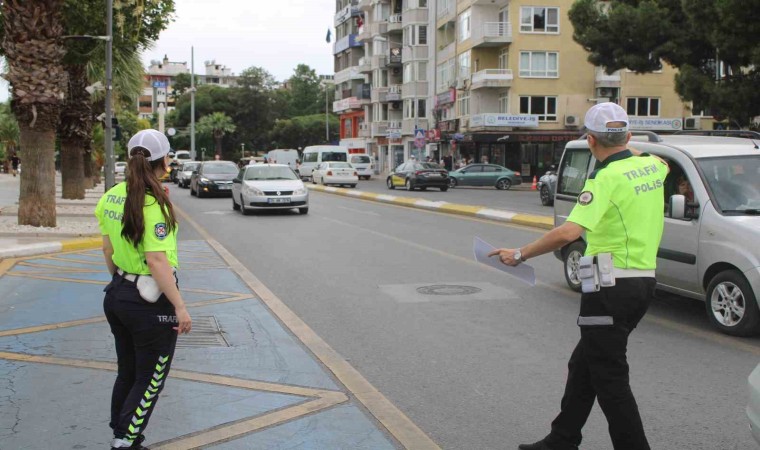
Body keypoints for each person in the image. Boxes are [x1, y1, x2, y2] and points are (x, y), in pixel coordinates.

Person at [488, 102, 668, 450]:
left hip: (609, 287)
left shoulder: (604, 180)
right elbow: (661, 159)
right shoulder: (651, 167)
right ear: (628, 136)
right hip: (641, 283)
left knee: (610, 378)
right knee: (584, 363)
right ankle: (563, 438)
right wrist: (626, 145)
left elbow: (568, 232)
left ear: (590, 141)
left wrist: (519, 254)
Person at [95, 129, 192, 450]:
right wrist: (180, 306)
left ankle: (120, 429)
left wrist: (120, 283)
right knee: (150, 378)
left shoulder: (110, 196)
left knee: (129, 371)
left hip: (118, 293)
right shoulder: (153, 204)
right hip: (150, 305)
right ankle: (126, 440)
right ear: (164, 161)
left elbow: (107, 249)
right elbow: (157, 261)